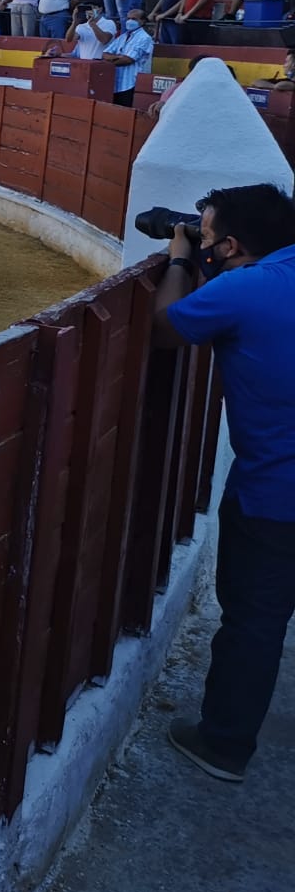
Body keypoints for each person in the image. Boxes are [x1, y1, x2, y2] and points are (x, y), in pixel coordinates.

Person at [152, 184, 295, 783]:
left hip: (276, 497)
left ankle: (223, 744)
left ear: (231, 245)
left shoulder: (243, 288)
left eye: (209, 234)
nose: (202, 241)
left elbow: (166, 328)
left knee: (255, 621)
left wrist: (182, 257)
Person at [102, 9, 155, 107]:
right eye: (128, 18)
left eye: (134, 19)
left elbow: (128, 60)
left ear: (142, 21)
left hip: (132, 83)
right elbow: (105, 54)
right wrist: (118, 57)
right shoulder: (123, 36)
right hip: (116, 82)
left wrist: (110, 60)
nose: (130, 21)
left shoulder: (144, 38)